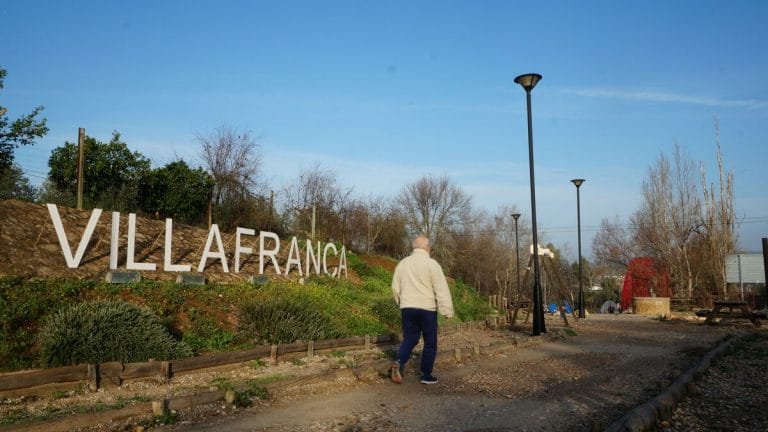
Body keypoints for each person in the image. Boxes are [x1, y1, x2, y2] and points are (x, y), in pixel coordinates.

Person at [390, 235, 454, 385]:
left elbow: (395, 286)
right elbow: (441, 289)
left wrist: (401, 302)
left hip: (408, 307)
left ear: (414, 248)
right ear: (427, 248)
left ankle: (399, 361)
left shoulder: (403, 264)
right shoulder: (432, 264)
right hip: (427, 309)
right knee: (430, 342)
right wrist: (447, 310)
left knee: (410, 338)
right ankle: (426, 375)